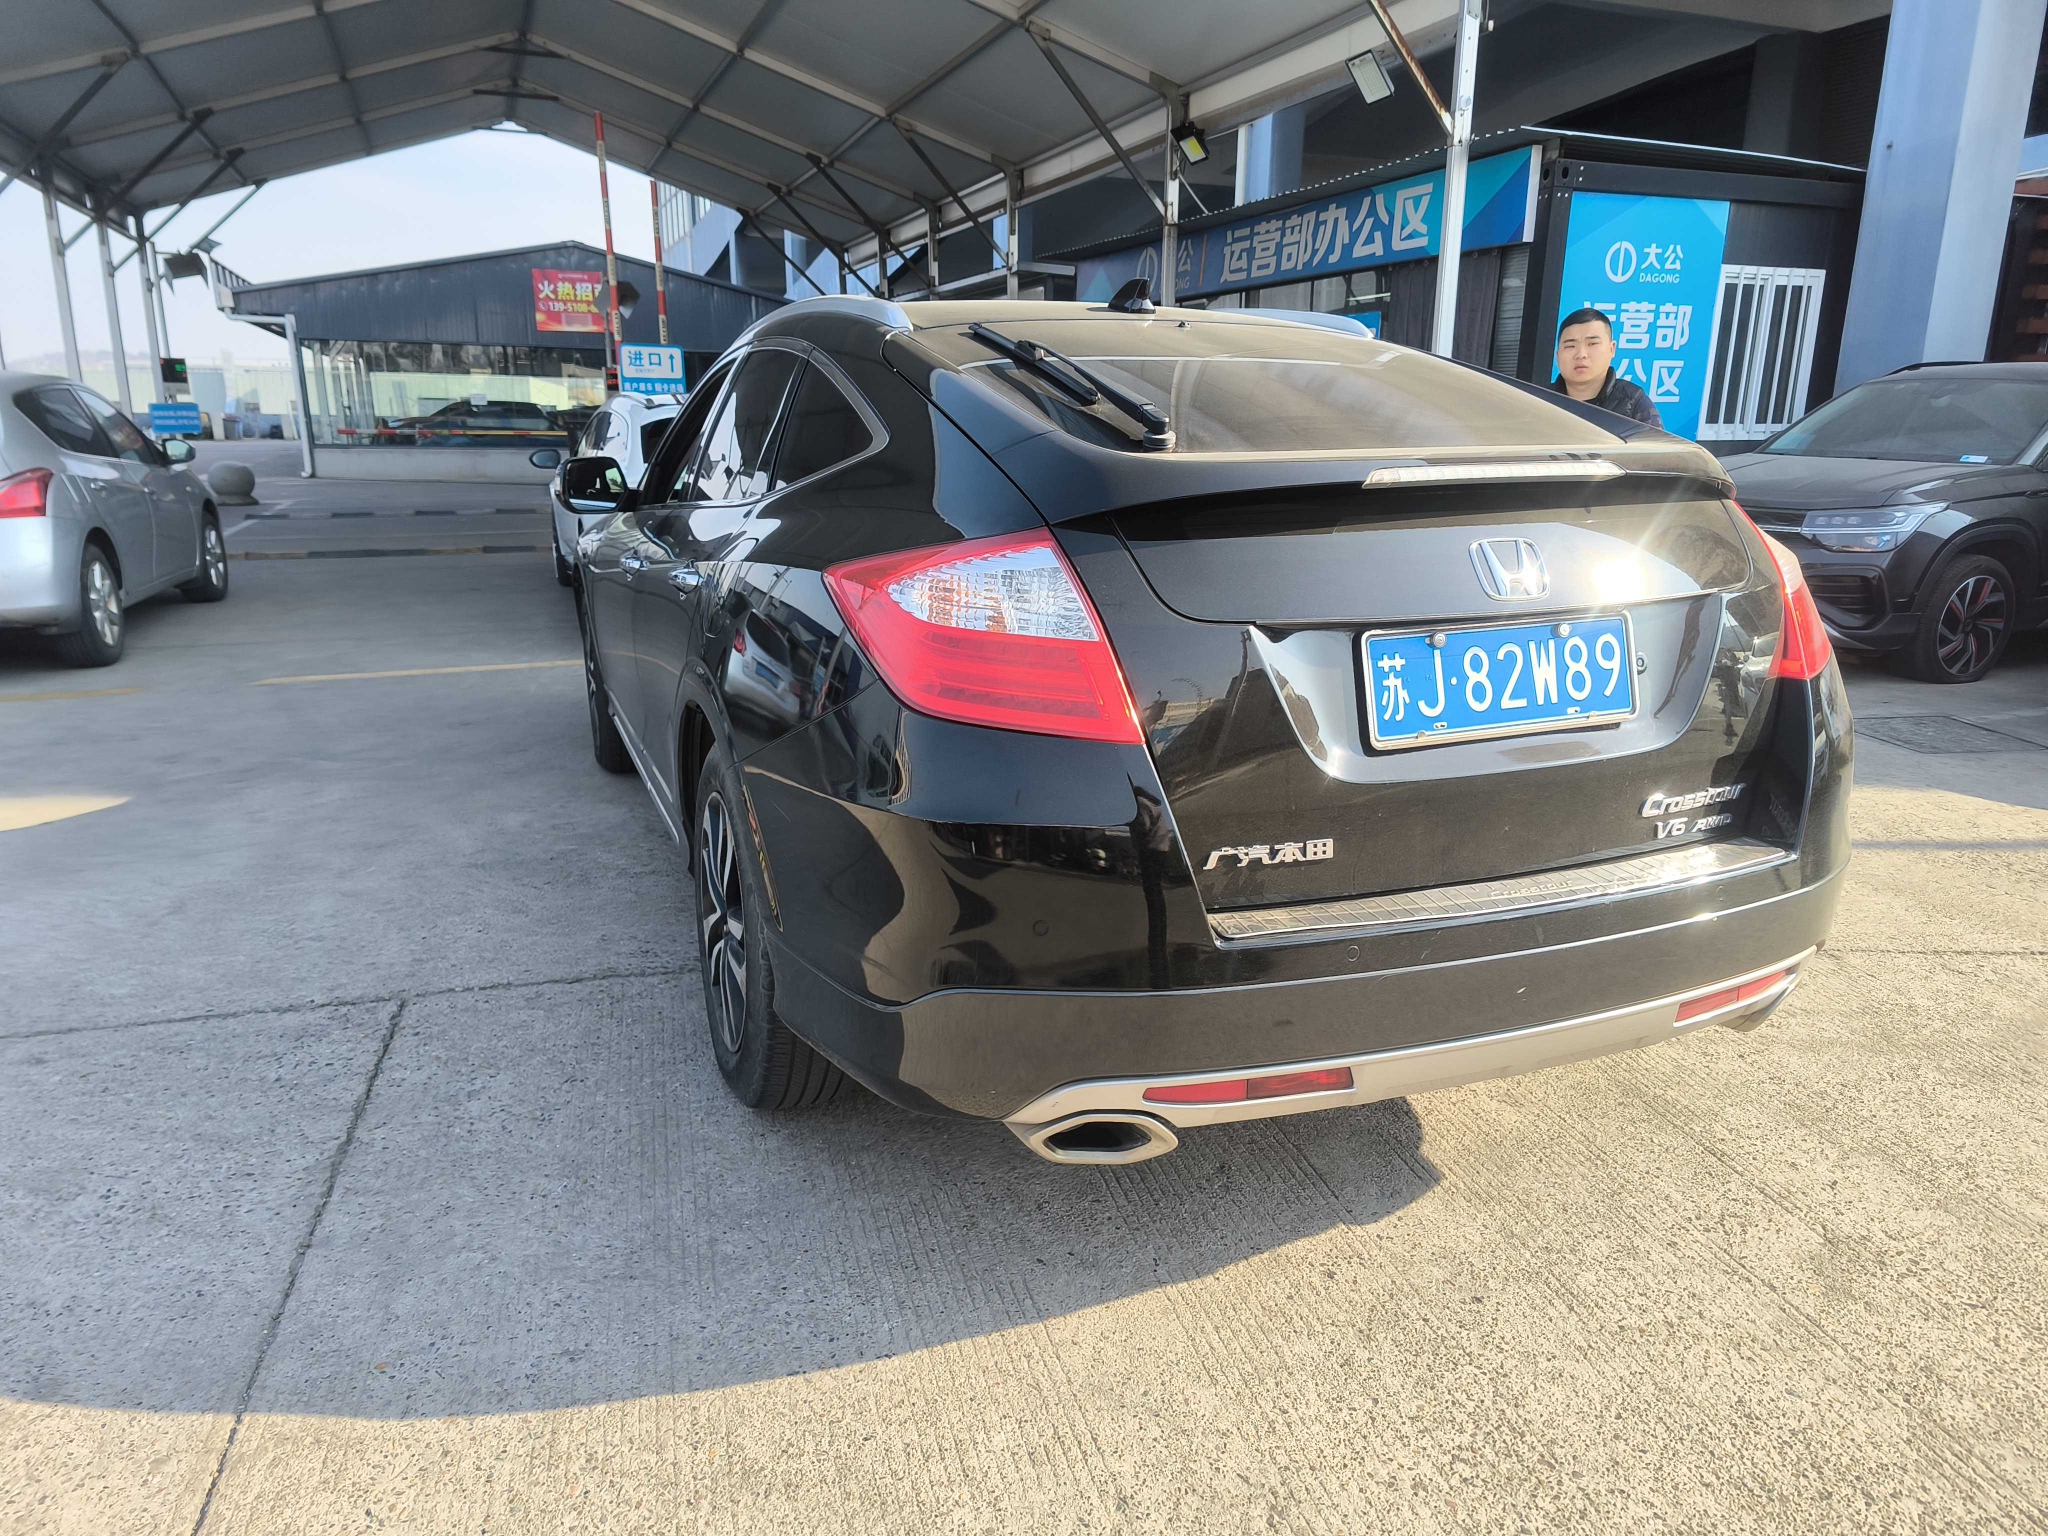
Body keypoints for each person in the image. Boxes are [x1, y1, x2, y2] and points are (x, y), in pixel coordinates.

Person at [1551, 307, 1662, 428]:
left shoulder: (1634, 403)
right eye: (1570, 346)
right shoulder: (1540, 400)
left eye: (1592, 343)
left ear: (1611, 349)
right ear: (1558, 355)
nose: (1581, 354)